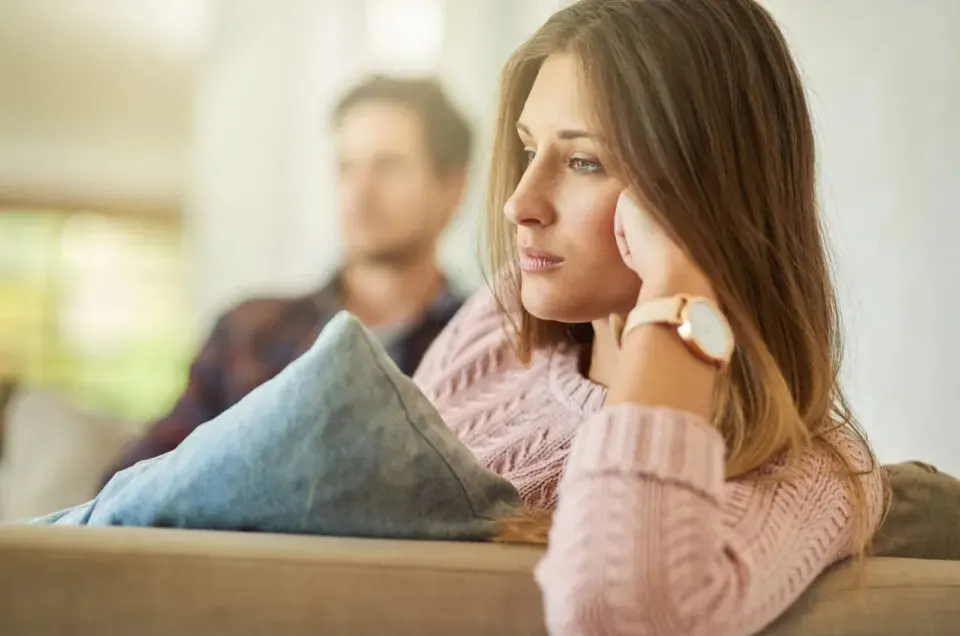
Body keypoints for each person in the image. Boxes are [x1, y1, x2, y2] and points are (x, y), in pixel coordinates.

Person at [411, 1, 885, 634]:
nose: (518, 203)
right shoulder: (497, 331)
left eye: (584, 162)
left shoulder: (810, 470)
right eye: (529, 150)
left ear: (701, 190)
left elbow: (617, 612)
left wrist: (677, 291)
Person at [104, 76, 472, 481]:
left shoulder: (490, 345)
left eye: (387, 167)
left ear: (452, 187)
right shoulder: (250, 331)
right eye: (346, 167)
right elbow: (132, 482)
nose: (358, 193)